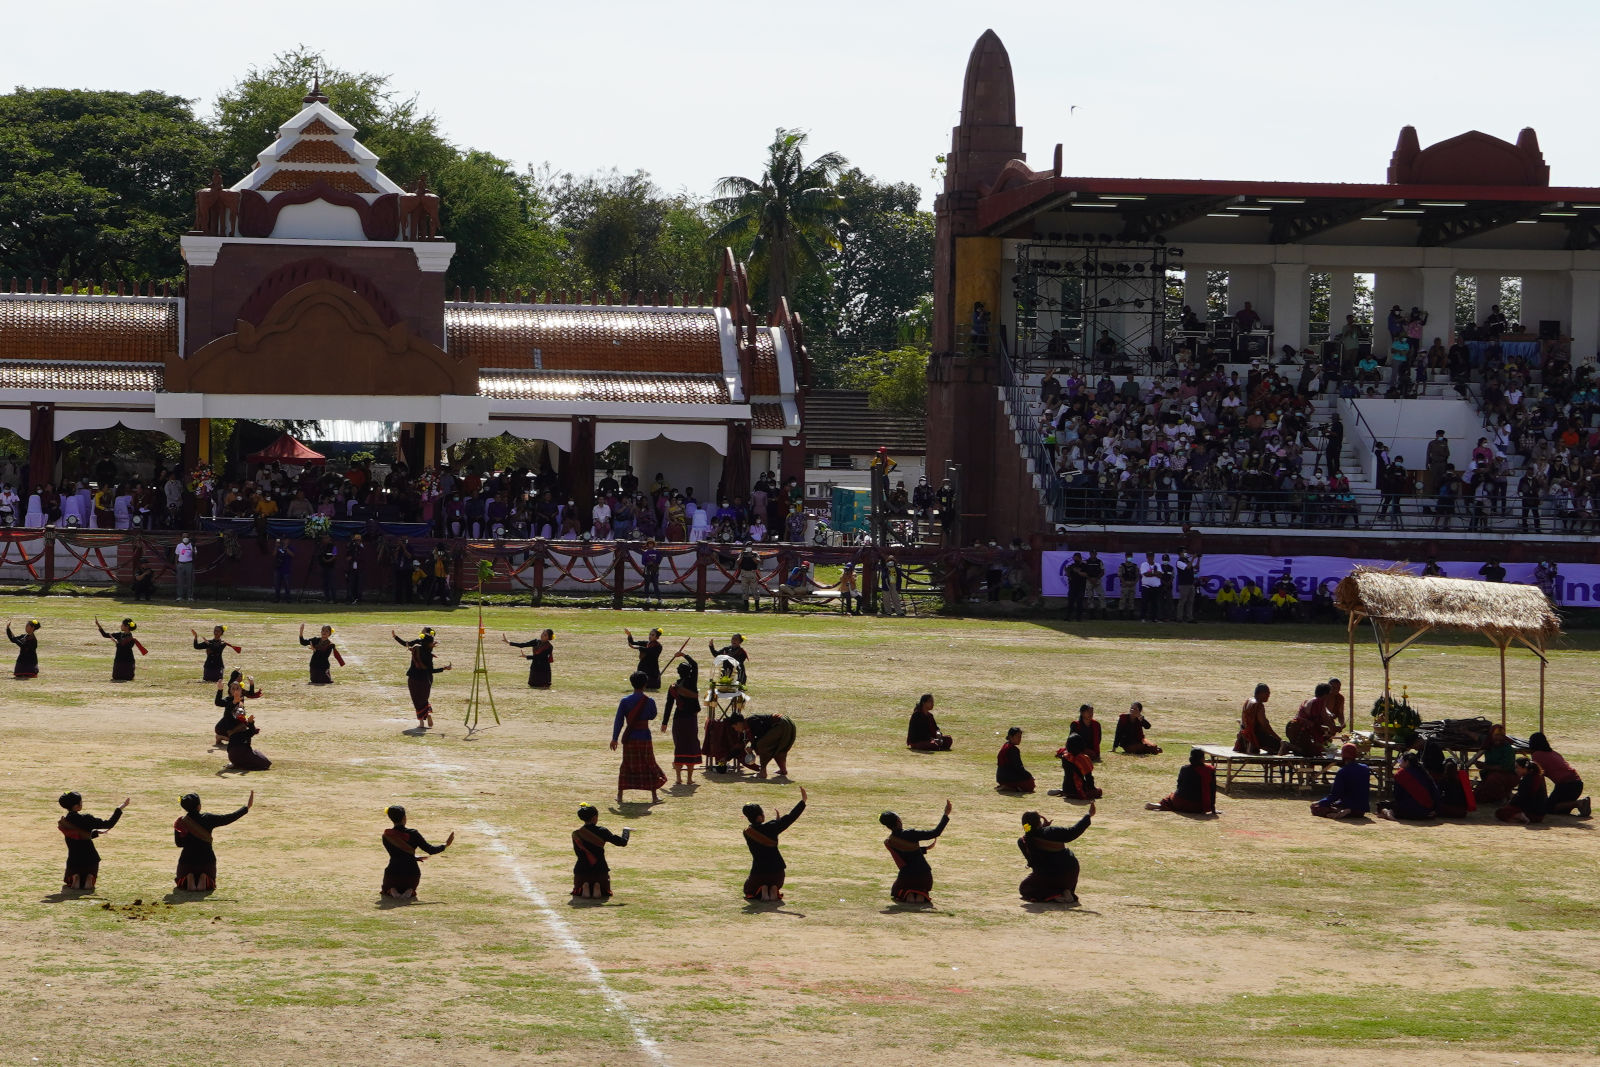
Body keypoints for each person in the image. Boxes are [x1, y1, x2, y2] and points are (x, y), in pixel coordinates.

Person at [173, 790, 253, 892]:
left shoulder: (180, 822)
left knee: (183, 879)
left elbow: (179, 844)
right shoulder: (207, 818)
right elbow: (227, 818)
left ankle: (189, 877)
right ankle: (204, 877)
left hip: (187, 863)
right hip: (207, 862)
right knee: (208, 880)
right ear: (199, 807)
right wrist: (246, 808)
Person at [1017, 804, 1095, 905]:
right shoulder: (1051, 831)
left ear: (1024, 826)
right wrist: (1088, 815)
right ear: (1039, 822)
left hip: (1048, 877)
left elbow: (1035, 863)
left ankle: (1058, 894)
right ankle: (1065, 892)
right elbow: (1073, 832)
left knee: (1025, 888)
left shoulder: (1023, 841)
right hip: (1069, 874)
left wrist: (1041, 828)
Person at [742, 786, 807, 901]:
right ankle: (773, 888)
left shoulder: (747, 832)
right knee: (774, 882)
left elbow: (762, 829)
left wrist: (775, 823)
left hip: (759, 873)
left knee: (748, 889)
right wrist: (803, 801)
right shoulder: (773, 827)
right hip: (777, 873)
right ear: (760, 816)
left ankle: (763, 889)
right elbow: (790, 818)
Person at [611, 671, 667, 803]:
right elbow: (652, 715)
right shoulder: (649, 701)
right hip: (644, 737)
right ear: (645, 684)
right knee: (648, 764)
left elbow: (619, 720)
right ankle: (654, 796)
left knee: (627, 764)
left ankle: (620, 795)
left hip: (630, 737)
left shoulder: (625, 701)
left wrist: (614, 738)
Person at [881, 800, 952, 905]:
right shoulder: (910, 833)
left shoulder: (889, 841)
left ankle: (910, 894)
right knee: (920, 891)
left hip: (907, 877)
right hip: (924, 875)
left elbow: (905, 853)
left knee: (900, 891)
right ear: (898, 821)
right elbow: (935, 832)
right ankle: (920, 894)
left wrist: (924, 849)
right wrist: (946, 814)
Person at [57, 790, 128, 891]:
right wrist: (120, 808)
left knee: (72, 870)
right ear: (77, 806)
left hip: (74, 857)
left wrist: (94, 833)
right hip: (91, 857)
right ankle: (89, 877)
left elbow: (77, 834)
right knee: (90, 871)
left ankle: (75, 877)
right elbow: (108, 824)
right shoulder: (87, 818)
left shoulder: (64, 821)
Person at [381, 805, 453, 900]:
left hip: (393, 873)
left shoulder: (387, 835)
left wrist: (413, 856)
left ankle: (392, 890)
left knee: (386, 888)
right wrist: (445, 845)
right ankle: (410, 890)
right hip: (411, 873)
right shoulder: (413, 833)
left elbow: (398, 854)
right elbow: (430, 850)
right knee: (410, 885)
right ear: (404, 818)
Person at [394, 627, 451, 730]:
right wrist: (444, 668)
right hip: (425, 680)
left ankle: (421, 722)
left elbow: (407, 644)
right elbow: (430, 671)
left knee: (417, 700)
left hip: (413, 678)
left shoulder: (416, 648)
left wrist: (395, 637)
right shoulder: (429, 655)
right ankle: (427, 713)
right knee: (424, 700)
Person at [571, 803, 630, 899]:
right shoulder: (602, 831)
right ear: (595, 817)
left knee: (583, 880)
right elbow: (622, 842)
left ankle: (585, 886)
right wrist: (626, 831)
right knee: (600, 888)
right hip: (600, 869)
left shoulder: (576, 833)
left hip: (581, 870)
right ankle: (597, 886)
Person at [660, 656, 703, 786]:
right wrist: (683, 654)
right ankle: (689, 779)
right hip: (690, 719)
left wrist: (664, 722)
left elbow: (669, 705)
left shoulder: (673, 687)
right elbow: (695, 664)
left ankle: (679, 778)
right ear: (690, 672)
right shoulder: (691, 683)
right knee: (691, 746)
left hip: (678, 719)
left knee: (679, 746)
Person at [1527, 732, 1590, 817]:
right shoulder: (1554, 753)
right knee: (1560, 810)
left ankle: (1579, 803)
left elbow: (1538, 777)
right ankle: (1578, 804)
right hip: (1577, 784)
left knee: (1548, 808)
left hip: (1566, 785)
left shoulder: (1537, 755)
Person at [215, 677, 271, 771]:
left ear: (242, 691)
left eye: (237, 688)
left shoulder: (242, 698)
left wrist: (252, 683)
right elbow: (218, 703)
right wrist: (220, 690)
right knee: (241, 730)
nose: (235, 690)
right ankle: (221, 737)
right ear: (229, 691)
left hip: (237, 725)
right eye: (233, 688)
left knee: (245, 732)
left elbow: (251, 694)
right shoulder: (228, 700)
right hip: (226, 725)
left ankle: (239, 753)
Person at [1147, 748, 1217, 814]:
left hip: (1179, 802)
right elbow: (1212, 789)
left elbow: (1179, 785)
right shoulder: (1210, 770)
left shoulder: (1184, 768)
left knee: (1170, 799)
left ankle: (1159, 805)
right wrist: (1212, 808)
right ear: (1202, 758)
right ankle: (1162, 805)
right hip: (1198, 806)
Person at [730, 710, 796, 779]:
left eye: (734, 727)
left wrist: (752, 747)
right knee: (776, 747)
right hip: (788, 724)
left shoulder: (751, 721)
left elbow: (761, 735)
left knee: (762, 745)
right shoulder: (747, 727)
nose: (735, 730)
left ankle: (763, 772)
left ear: (738, 723)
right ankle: (783, 770)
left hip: (782, 724)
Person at [1311, 744, 1371, 818]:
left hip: (1348, 804)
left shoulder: (1343, 771)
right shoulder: (1365, 768)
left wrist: (1320, 802)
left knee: (1315, 808)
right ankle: (1348, 811)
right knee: (1339, 803)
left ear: (1343, 755)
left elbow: (1335, 795)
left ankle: (1340, 811)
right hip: (1362, 809)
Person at [1379, 752, 1441, 820]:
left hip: (1411, 809)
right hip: (1428, 811)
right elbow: (1435, 791)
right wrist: (1436, 809)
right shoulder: (1424, 772)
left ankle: (1389, 811)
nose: (1399, 764)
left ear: (1407, 762)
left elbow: (1398, 796)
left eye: (1401, 761)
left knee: (1383, 805)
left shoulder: (1401, 774)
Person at [1285, 683, 1338, 758]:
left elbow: (1323, 717)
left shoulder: (1317, 701)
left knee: (1312, 751)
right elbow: (1323, 719)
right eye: (1329, 694)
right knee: (1309, 752)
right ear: (1325, 694)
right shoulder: (1318, 702)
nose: (1330, 696)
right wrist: (1333, 728)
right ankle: (1287, 745)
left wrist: (1331, 727)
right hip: (1298, 729)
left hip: (1296, 728)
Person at [1474, 723, 1519, 805]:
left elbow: (1505, 767)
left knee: (1493, 778)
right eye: (1496, 735)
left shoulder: (1508, 749)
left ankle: (1503, 797)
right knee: (1478, 795)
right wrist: (1465, 731)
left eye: (1501, 735)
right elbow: (1477, 736)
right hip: (1491, 774)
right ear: (1491, 735)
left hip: (1507, 775)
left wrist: (1485, 766)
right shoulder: (1488, 743)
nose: (1499, 738)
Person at [1496, 757, 1547, 824]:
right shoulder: (1538, 776)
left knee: (1500, 812)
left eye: (1517, 767)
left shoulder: (1526, 780)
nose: (1515, 770)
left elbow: (1523, 798)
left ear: (1524, 768)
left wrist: (1510, 803)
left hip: (1530, 812)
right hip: (1541, 814)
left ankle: (1521, 816)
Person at [1053, 732, 1102, 799]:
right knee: (1099, 791)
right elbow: (1089, 777)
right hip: (1077, 789)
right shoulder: (1083, 758)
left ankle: (1064, 792)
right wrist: (1092, 789)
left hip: (1066, 788)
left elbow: (1061, 752)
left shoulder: (1065, 757)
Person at [1234, 683, 1281, 754]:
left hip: (1247, 736)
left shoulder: (1248, 701)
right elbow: (1265, 726)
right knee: (1281, 746)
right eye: (1267, 693)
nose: (1269, 696)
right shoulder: (1259, 705)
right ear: (1261, 693)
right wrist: (1278, 739)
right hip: (1256, 738)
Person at [96, 616, 144, 682]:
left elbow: (125, 648)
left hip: (127, 659)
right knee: (116, 677)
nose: (120, 626)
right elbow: (105, 635)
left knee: (127, 677)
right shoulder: (119, 634)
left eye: (122, 625)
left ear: (126, 627)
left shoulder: (131, 638)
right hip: (119, 658)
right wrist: (99, 626)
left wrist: (116, 642)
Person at [996, 727, 1035, 793]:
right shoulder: (1013, 750)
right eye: (1018, 736)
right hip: (1008, 777)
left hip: (1000, 777)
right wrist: (1029, 776)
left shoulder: (1006, 745)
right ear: (1011, 737)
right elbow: (1019, 767)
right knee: (1030, 785)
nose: (1020, 739)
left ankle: (1007, 786)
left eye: (1020, 737)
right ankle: (1010, 788)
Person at [736, 542, 762, 611]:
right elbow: (738, 562)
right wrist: (742, 556)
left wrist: (752, 556)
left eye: (750, 546)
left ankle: (757, 607)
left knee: (755, 591)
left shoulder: (755, 554)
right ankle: (746, 607)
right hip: (744, 573)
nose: (749, 547)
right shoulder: (742, 553)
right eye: (747, 546)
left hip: (752, 573)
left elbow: (758, 561)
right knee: (745, 591)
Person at [174, 533, 196, 602]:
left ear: (189, 538)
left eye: (187, 537)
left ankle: (190, 596)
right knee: (180, 581)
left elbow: (195, 555)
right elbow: (177, 555)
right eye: (184, 537)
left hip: (189, 564)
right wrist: (176, 564)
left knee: (190, 581)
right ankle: (180, 596)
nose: (185, 538)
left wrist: (192, 548)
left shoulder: (192, 545)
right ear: (181, 538)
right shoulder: (179, 545)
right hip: (180, 564)